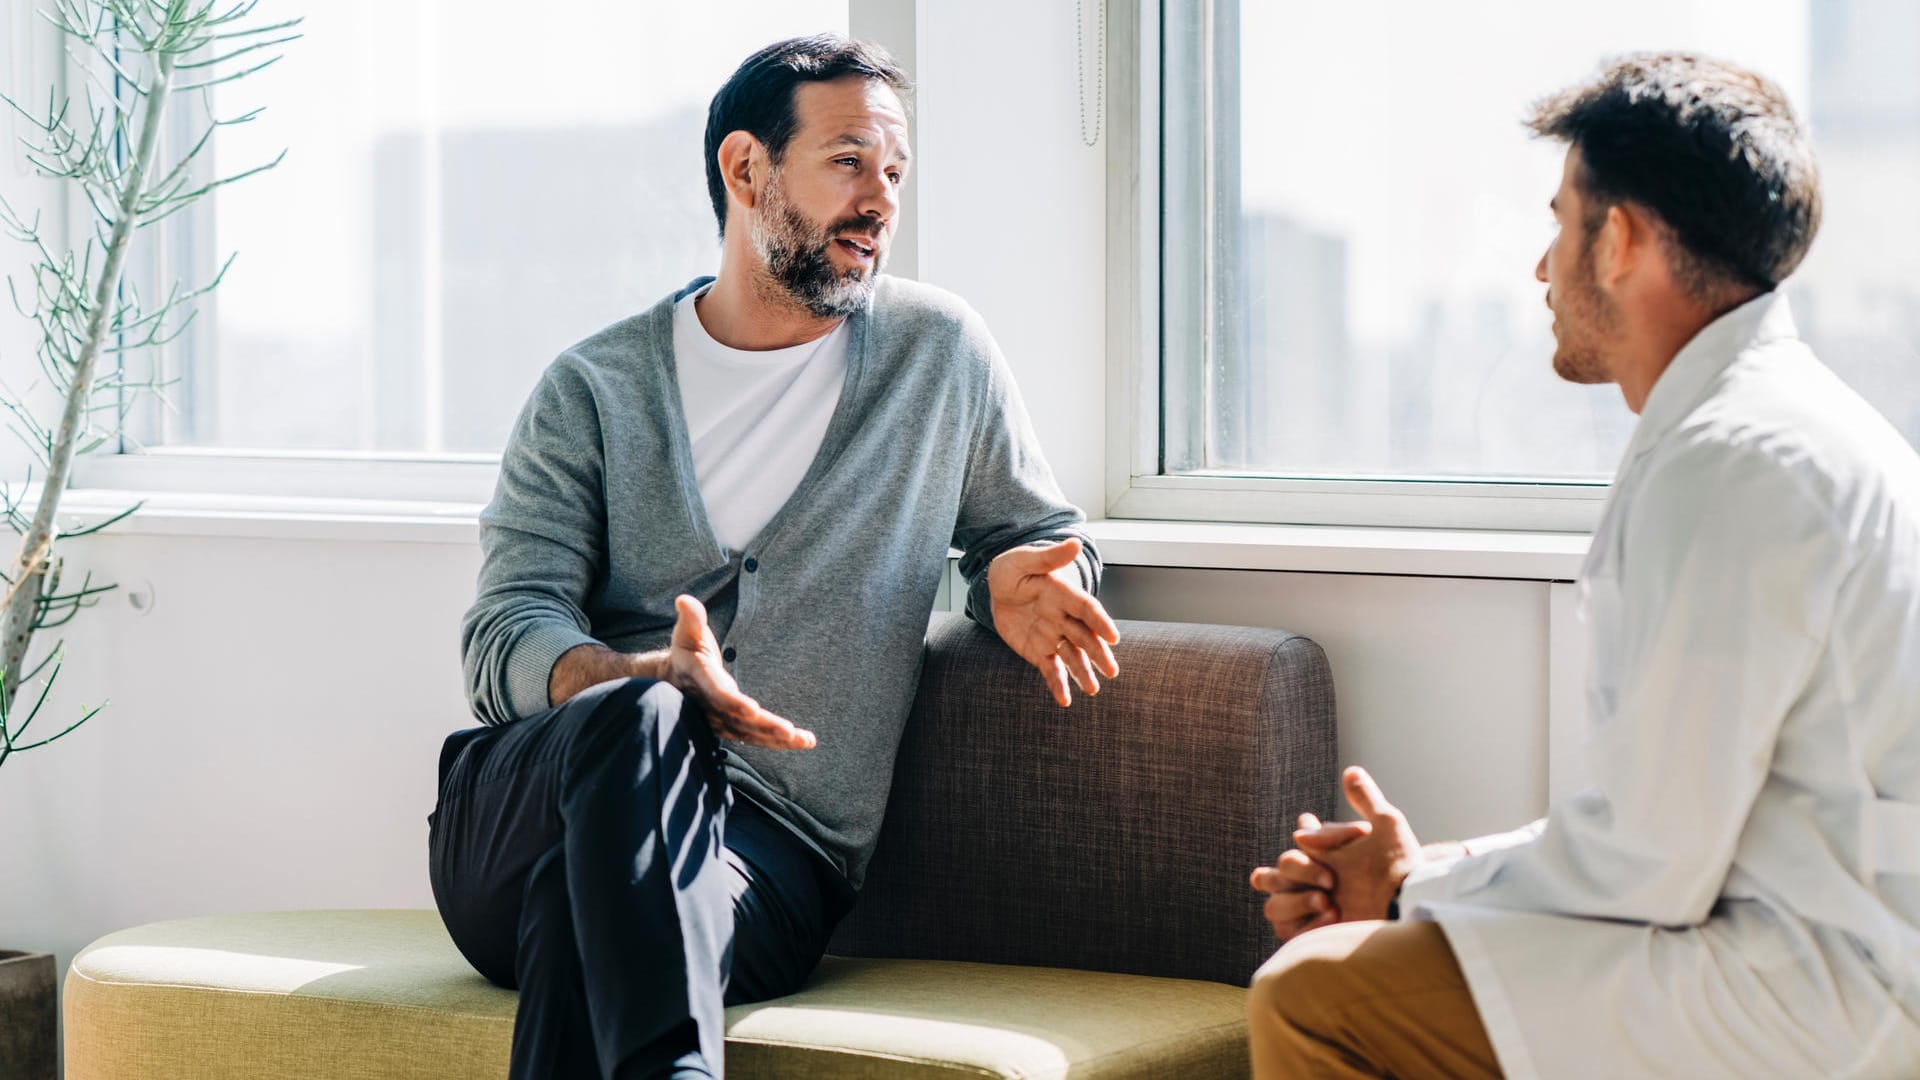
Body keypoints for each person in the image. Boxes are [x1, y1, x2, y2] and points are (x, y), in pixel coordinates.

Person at [431, 35, 1120, 1080]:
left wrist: (1025, 581)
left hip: (769, 854)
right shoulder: (593, 390)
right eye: (848, 162)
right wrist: (629, 681)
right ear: (746, 169)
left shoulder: (938, 359)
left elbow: (1032, 537)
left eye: (894, 171)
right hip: (524, 814)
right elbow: (503, 632)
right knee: (648, 718)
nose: (881, 200)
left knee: (589, 914)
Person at [1247, 52, 1920, 1079]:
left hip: (1818, 997)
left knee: (1316, 995)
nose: (1540, 266)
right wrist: (1424, 873)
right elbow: (1662, 825)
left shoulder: (1735, 461)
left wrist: (1403, 890)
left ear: (1623, 241)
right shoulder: (1778, 430)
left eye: (1559, 221)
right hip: (1799, 952)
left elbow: (1649, 864)